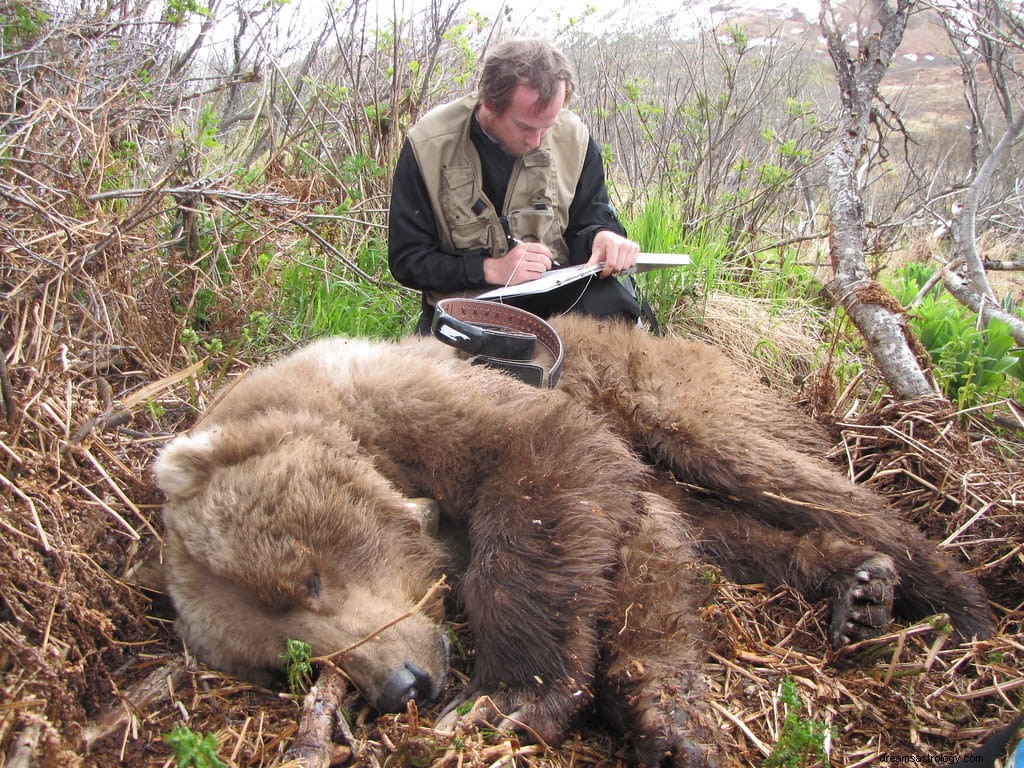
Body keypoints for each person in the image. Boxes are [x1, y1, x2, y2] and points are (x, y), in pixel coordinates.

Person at [388, 37, 646, 334]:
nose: (536, 141)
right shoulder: (428, 145)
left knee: (617, 309)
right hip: (469, 304)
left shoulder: (574, 139)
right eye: (524, 127)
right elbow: (408, 260)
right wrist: (493, 269)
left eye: (546, 127)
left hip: (557, 296)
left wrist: (602, 237)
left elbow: (589, 218)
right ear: (489, 103)